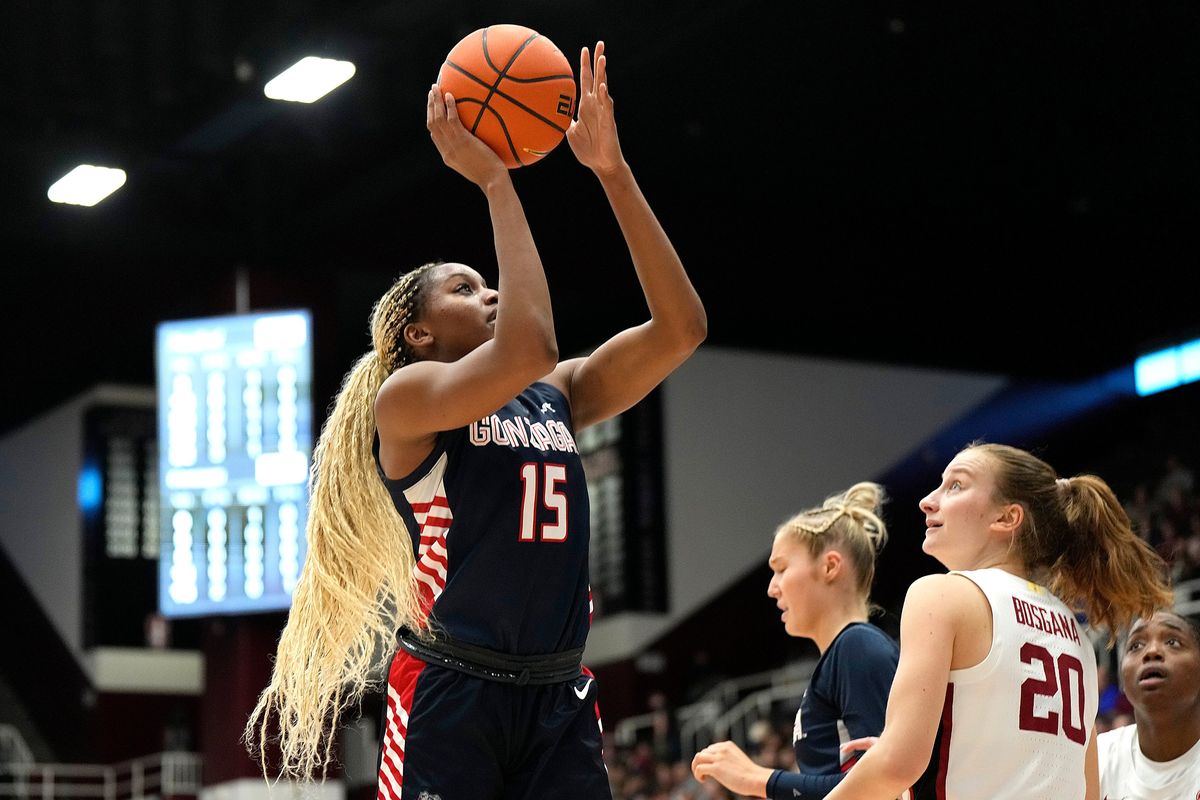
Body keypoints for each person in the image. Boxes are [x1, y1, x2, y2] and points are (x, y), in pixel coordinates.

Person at [244, 41, 707, 799]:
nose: (490, 294)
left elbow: (682, 328)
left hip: (557, 693)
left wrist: (613, 175)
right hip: (453, 692)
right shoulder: (410, 399)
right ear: (417, 335)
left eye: (489, 284)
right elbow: (533, 342)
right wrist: (496, 180)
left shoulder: (555, 392)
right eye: (465, 289)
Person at [823, 442, 1174, 800]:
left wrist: (889, 761)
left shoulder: (941, 595)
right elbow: (1087, 792)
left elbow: (898, 763)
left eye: (956, 485)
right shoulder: (1078, 637)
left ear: (1007, 518)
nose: (927, 500)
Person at [691, 482, 903, 798]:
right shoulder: (844, 653)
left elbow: (885, 788)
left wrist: (756, 778)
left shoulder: (858, 647)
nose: (772, 588)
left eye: (781, 568)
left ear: (830, 566)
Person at [1097, 610, 1200, 799]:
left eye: (1172, 642)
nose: (1151, 652)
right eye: (1136, 645)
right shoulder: (1099, 758)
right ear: (1123, 677)